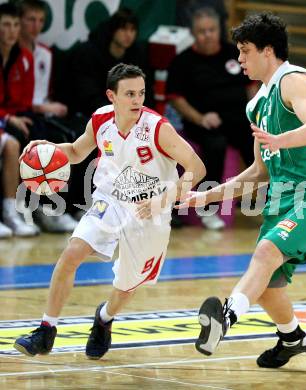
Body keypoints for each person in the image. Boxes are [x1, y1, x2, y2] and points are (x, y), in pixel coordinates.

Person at [177, 13, 306, 368]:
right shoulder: (255, 104)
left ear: (268, 51)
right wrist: (201, 197)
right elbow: (257, 173)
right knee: (268, 287)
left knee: (266, 252)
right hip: (281, 200)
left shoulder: (295, 81)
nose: (239, 59)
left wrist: (278, 140)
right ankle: (294, 337)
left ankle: (225, 318)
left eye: (245, 51)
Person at [14, 63, 206, 359]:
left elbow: (197, 167)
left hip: (150, 212)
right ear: (111, 96)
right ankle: (46, 330)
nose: (137, 100)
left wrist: (163, 199)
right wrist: (49, 148)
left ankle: (104, 319)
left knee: (127, 285)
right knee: (71, 253)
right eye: (129, 94)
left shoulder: (157, 128)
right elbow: (78, 151)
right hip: (110, 200)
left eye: (141, 93)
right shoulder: (101, 120)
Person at [166, 7, 255, 230]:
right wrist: (200, 118)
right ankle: (208, 209)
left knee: (260, 144)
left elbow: (252, 85)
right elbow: (176, 99)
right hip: (204, 123)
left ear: (219, 30)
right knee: (216, 146)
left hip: (237, 119)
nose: (207, 35)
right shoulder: (182, 61)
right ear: (194, 33)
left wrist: (255, 115)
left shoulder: (234, 53)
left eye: (211, 30)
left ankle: (276, 202)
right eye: (202, 31)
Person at [18, 0, 78, 232]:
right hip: (24, 114)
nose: (36, 26)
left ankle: (55, 207)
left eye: (41, 20)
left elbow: (42, 92)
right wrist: (42, 108)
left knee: (69, 137)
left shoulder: (45, 53)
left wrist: (50, 105)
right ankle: (34, 206)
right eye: (30, 19)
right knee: (40, 144)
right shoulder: (13, 54)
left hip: (40, 113)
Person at [67, 7, 152, 118]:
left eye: (132, 30)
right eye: (124, 29)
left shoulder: (137, 56)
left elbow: (146, 91)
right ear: (113, 30)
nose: (129, 35)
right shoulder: (89, 54)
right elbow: (88, 95)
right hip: (92, 115)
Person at [0, 2, 38, 236]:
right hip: (5, 119)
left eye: (15, 25)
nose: (12, 31)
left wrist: (12, 117)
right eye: (5, 25)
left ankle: (15, 212)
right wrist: (7, 117)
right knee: (11, 142)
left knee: (34, 139)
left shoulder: (24, 57)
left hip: (10, 118)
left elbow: (24, 100)